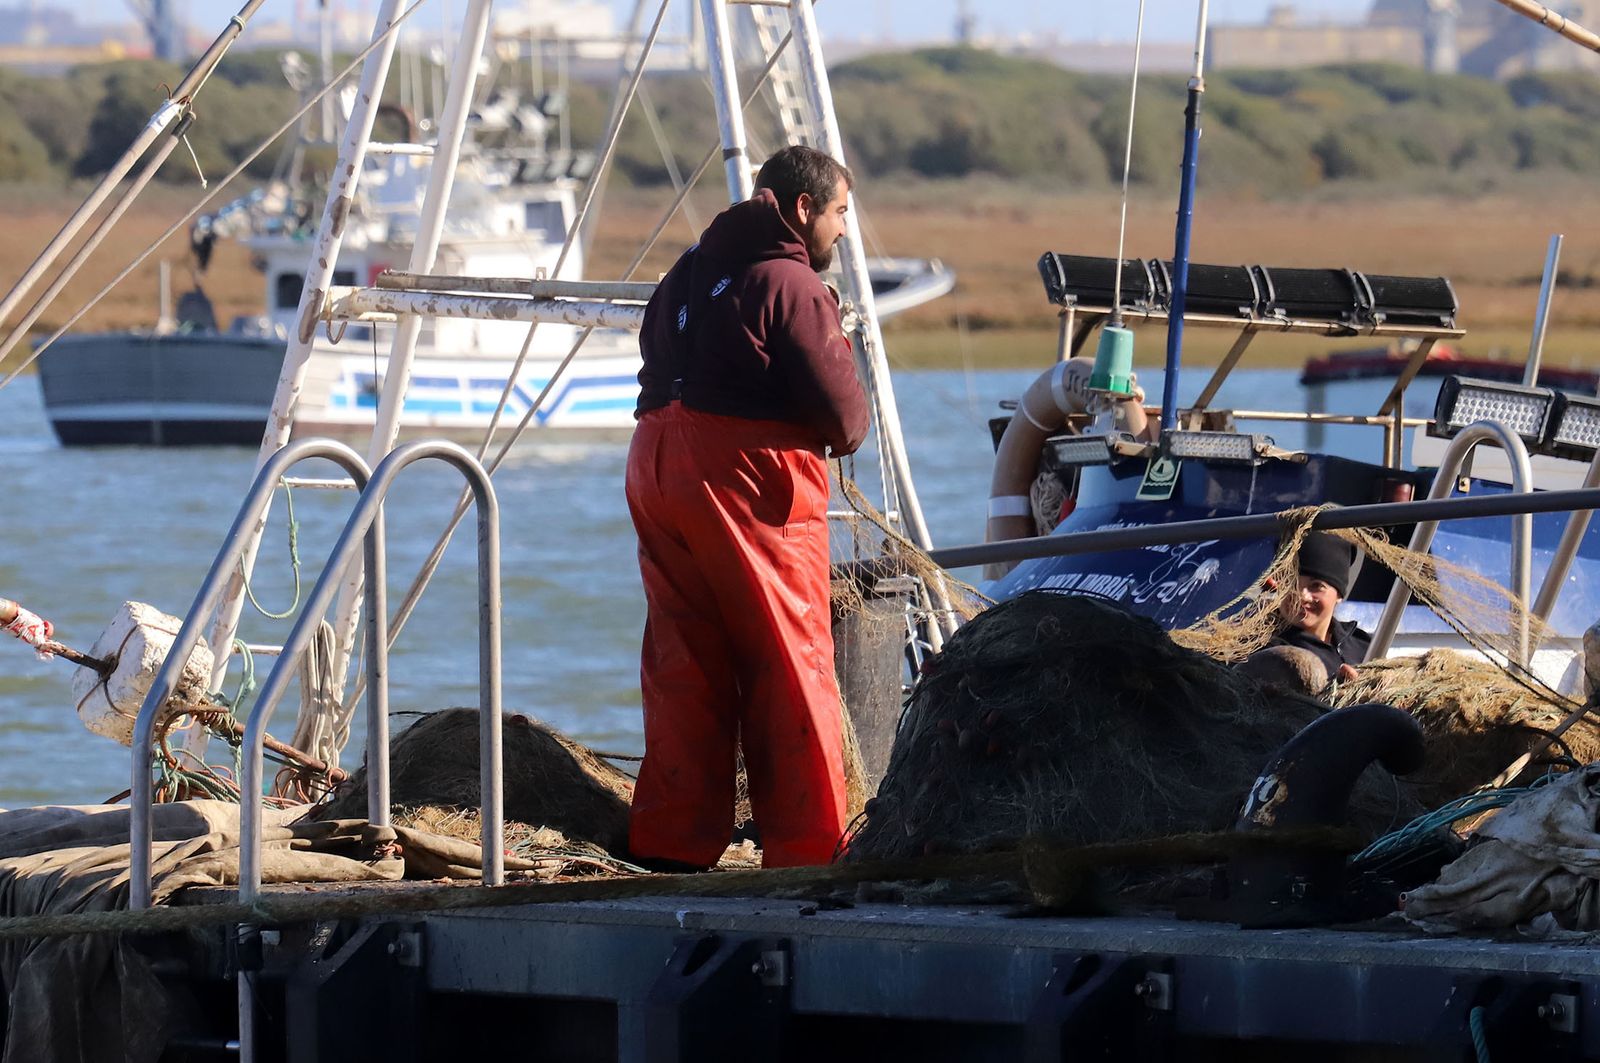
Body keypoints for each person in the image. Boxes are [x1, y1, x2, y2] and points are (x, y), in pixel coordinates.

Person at [624, 145, 869, 871]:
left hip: (654, 463)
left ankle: (671, 841)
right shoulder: (790, 282)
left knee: (683, 657)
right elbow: (847, 421)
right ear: (802, 209)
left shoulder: (687, 270)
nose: (844, 232)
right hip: (743, 476)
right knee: (789, 657)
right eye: (840, 213)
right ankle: (808, 847)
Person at [1270, 531, 1371, 684]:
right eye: (1290, 582)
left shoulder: (1361, 644)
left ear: (1339, 595)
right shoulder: (1266, 650)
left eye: (1316, 586)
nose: (1302, 596)